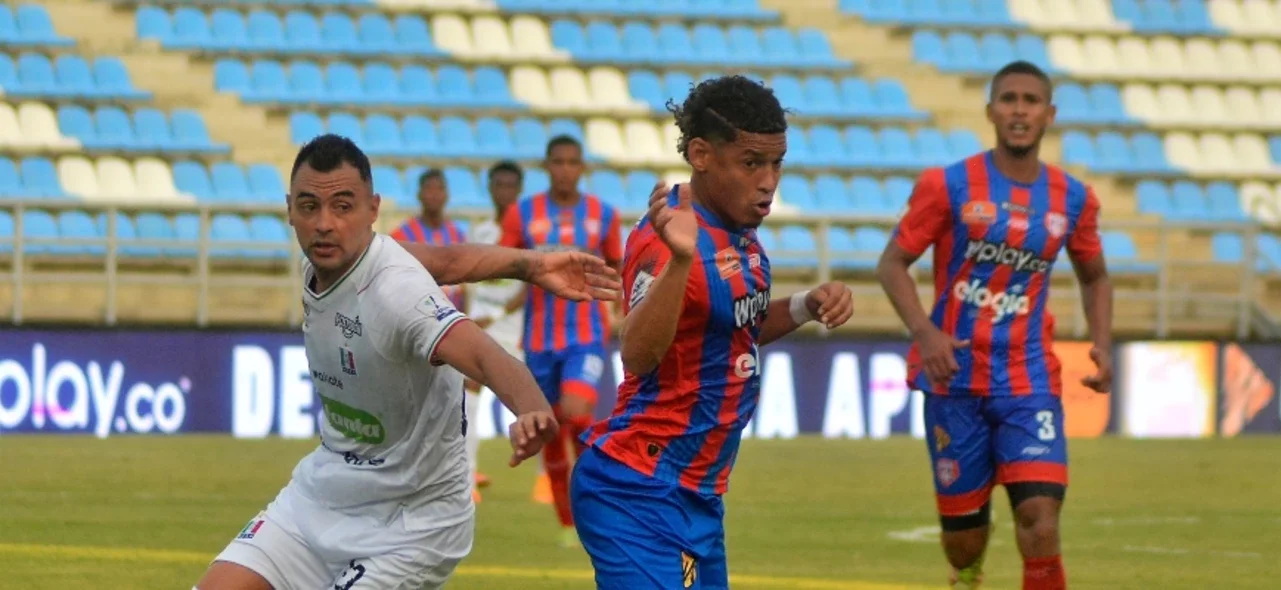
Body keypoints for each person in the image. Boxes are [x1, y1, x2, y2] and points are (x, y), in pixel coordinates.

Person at [194, 134, 621, 590]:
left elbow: (479, 349)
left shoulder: (397, 293)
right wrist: (530, 266)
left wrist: (530, 405)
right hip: (324, 494)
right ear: (289, 209)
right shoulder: (328, 261)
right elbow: (447, 259)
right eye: (309, 206)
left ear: (372, 209)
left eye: (342, 206)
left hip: (413, 522)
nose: (324, 224)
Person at [569, 75, 854, 589]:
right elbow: (636, 352)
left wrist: (804, 305)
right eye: (751, 163)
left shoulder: (736, 232)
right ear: (700, 154)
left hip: (694, 491)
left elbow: (733, 325)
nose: (768, 181)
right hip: (636, 489)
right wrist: (680, 259)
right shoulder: (671, 238)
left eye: (776, 164)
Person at [874, 60, 1113, 590]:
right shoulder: (948, 185)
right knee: (964, 540)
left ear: (1049, 114)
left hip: (1028, 380)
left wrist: (1102, 345)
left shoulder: (1073, 198)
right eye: (1009, 99)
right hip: (953, 378)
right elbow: (892, 264)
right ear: (991, 111)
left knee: (1040, 521)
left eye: (1030, 100)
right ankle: (967, 574)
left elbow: (1096, 277)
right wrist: (925, 331)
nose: (1019, 109)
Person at [499, 136, 623, 547]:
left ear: (582, 167)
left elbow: (617, 266)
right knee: (550, 428)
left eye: (572, 162)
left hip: (586, 336)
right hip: (538, 340)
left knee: (575, 410)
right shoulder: (523, 214)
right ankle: (568, 522)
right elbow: (503, 261)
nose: (565, 169)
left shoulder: (603, 216)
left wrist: (622, 306)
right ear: (546, 165)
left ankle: (594, 505)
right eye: (558, 162)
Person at [462, 160, 528, 501]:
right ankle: (467, 474)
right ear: (490, 188)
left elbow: (527, 288)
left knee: (538, 405)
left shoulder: (526, 235)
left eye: (510, 186)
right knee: (467, 396)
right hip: (480, 328)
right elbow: (470, 279)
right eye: (498, 185)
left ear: (519, 190)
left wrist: (498, 313)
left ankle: (552, 477)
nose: (503, 192)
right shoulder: (480, 232)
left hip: (514, 332)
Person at [390, 168, 468, 311]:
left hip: (453, 322)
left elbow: (464, 288)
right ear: (419, 194)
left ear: (447, 195)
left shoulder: (458, 236)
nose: (434, 195)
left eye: (439, 189)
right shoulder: (401, 236)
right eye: (429, 189)